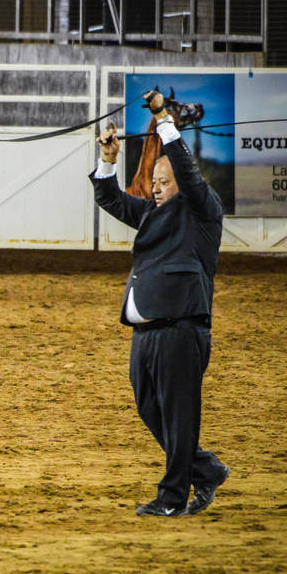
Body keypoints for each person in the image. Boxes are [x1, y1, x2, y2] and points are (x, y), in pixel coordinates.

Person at [90, 90, 229, 517]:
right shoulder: (152, 212)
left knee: (179, 416)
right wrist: (109, 160)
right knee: (150, 408)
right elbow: (110, 199)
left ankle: (172, 498)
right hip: (146, 331)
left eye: (163, 181)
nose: (156, 187)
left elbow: (185, 169)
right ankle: (205, 470)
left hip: (182, 328)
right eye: (153, 181)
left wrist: (163, 119)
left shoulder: (203, 210)